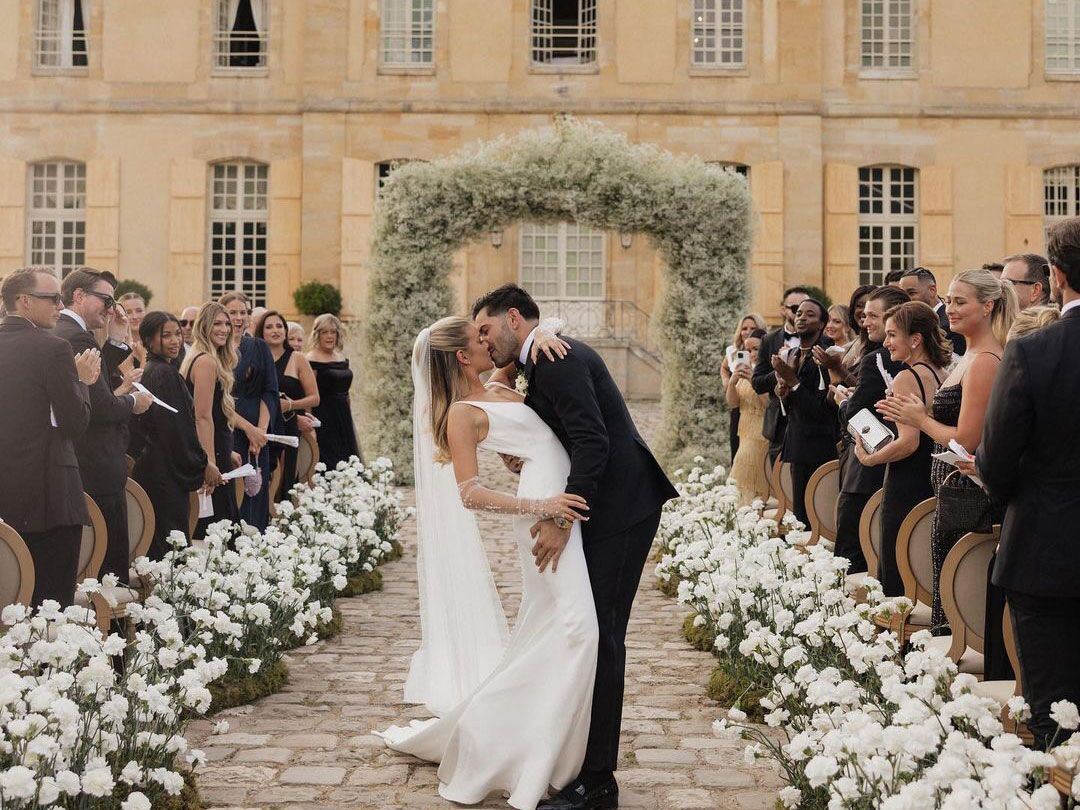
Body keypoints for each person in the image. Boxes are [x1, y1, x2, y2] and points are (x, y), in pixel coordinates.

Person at [473, 285, 677, 810]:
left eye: (487, 329)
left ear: (513, 318)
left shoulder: (556, 359)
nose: (483, 340)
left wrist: (565, 517)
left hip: (622, 506)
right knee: (594, 633)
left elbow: (593, 441)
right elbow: (566, 431)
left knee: (604, 636)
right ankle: (582, 763)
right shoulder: (541, 356)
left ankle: (598, 782)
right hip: (608, 505)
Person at [975, 216, 1080, 749]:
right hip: (1046, 544)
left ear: (1056, 277)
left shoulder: (1034, 352)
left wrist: (1023, 495)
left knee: (1055, 714)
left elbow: (994, 460)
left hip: (1046, 547)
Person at [878, 269, 1016, 634]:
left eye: (960, 301)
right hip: (952, 496)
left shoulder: (986, 359)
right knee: (945, 600)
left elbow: (966, 440)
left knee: (957, 608)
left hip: (970, 500)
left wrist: (918, 418)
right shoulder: (970, 354)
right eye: (950, 301)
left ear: (988, 306)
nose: (949, 309)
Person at [0, 267, 98, 607]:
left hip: (7, 496)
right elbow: (75, 423)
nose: (61, 304)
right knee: (50, 609)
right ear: (24, 301)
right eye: (52, 298)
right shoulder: (53, 348)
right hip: (50, 498)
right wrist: (82, 382)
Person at [54, 268, 152, 586]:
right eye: (106, 300)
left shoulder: (67, 331)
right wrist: (134, 404)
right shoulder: (76, 335)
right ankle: (111, 630)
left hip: (85, 462)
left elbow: (96, 386)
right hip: (96, 463)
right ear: (79, 296)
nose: (111, 309)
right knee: (108, 569)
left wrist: (116, 339)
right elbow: (102, 405)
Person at [855, 301, 949, 595]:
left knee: (897, 567)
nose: (886, 342)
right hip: (932, 478)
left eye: (893, 335)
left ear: (915, 339)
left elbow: (908, 443)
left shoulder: (906, 377)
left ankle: (896, 633)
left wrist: (870, 459)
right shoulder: (941, 372)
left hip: (906, 483)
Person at [830, 285, 908, 572]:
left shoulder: (876, 359)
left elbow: (855, 414)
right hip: (903, 469)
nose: (865, 321)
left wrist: (842, 403)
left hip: (866, 472)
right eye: (863, 315)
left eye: (872, 316)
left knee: (853, 560)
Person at [132, 312, 208, 560]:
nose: (175, 340)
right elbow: (176, 429)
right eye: (166, 335)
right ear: (148, 339)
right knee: (171, 549)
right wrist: (201, 463)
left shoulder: (157, 370)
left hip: (158, 466)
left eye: (177, 334)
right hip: (165, 470)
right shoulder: (163, 373)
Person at [770, 298, 837, 528]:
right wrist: (784, 393)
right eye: (799, 313)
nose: (802, 318)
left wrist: (793, 381)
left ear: (821, 324)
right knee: (799, 514)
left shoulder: (826, 354)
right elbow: (793, 405)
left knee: (815, 517)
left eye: (809, 315)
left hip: (818, 446)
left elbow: (822, 410)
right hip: (797, 443)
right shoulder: (795, 353)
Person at [180, 302, 243, 537]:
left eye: (227, 324)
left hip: (217, 450)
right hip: (211, 455)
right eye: (217, 323)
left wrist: (226, 453)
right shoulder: (206, 361)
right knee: (219, 531)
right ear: (204, 326)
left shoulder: (199, 357)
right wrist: (209, 462)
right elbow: (202, 417)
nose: (224, 329)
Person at [220, 292, 275, 530]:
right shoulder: (217, 350)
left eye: (243, 312)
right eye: (233, 312)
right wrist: (249, 429)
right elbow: (218, 400)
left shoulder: (259, 347)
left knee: (257, 489)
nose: (239, 317)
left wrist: (260, 432)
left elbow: (269, 391)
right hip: (229, 428)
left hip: (258, 435)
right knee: (234, 491)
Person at [256, 310, 319, 503]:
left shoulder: (297, 358)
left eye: (279, 326)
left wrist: (290, 405)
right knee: (261, 479)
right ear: (261, 332)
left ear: (285, 331)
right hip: (261, 426)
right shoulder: (256, 358)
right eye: (269, 327)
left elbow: (314, 398)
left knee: (284, 480)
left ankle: (282, 520)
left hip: (288, 424)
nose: (275, 330)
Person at [752, 286, 811, 465]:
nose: (801, 315)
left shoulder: (820, 340)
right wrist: (779, 370)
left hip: (808, 423)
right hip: (778, 425)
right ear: (783, 310)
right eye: (795, 309)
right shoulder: (769, 340)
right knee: (779, 485)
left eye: (806, 309)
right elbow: (757, 383)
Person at [307, 313, 361, 470]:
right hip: (322, 417)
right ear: (317, 335)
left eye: (333, 332)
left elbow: (346, 392)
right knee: (328, 462)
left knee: (347, 459)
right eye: (324, 332)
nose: (329, 336)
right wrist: (311, 428)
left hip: (343, 416)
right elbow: (308, 394)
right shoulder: (311, 359)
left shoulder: (341, 357)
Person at [726, 328, 770, 505]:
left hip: (760, 434)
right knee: (742, 482)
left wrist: (753, 380)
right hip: (744, 433)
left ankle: (745, 516)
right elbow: (733, 403)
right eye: (747, 349)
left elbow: (769, 404)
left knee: (745, 481)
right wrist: (732, 381)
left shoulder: (768, 373)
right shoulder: (744, 371)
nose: (751, 354)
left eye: (756, 349)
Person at [720, 313, 767, 461]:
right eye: (744, 328)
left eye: (752, 328)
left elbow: (769, 402)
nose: (747, 331)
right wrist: (728, 382)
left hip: (760, 418)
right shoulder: (734, 351)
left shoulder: (767, 363)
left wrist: (752, 379)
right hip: (740, 409)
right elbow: (724, 367)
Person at [899, 267, 966, 356]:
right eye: (903, 294)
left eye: (912, 293)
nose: (906, 299)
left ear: (932, 290)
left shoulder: (949, 324)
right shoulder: (913, 323)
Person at [117, 291, 147, 367]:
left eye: (139, 311)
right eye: (128, 312)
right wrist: (144, 356)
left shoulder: (155, 343)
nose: (135, 317)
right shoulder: (118, 347)